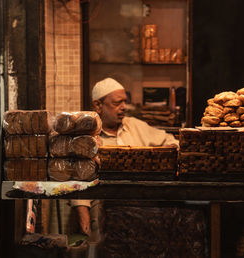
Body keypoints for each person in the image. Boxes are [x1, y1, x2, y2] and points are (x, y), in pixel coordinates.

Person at [71, 77, 179, 236]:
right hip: (104, 205)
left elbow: (170, 141)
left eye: (124, 102)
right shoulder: (87, 137)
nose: (123, 108)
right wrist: (83, 212)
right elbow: (78, 177)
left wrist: (170, 149)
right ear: (98, 105)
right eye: (116, 103)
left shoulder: (134, 125)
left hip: (140, 203)